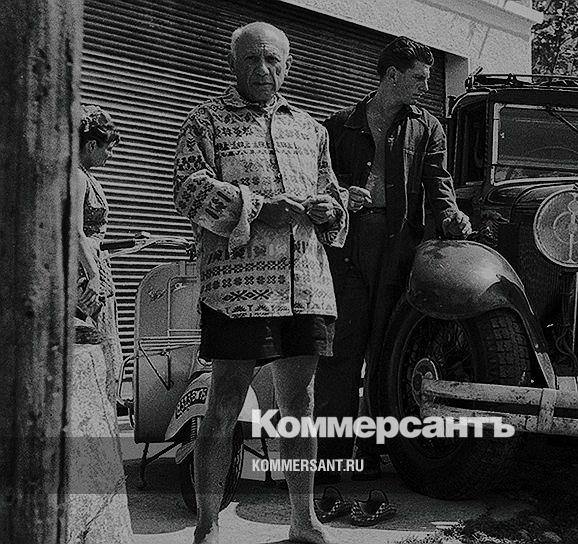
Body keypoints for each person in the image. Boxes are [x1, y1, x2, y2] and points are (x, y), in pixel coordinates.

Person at [172, 22, 347, 544]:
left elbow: (333, 195)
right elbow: (187, 190)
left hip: (306, 286)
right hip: (237, 292)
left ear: (287, 66)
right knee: (224, 405)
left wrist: (330, 209)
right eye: (252, 59)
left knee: (301, 406)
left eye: (273, 60)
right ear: (233, 64)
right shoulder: (205, 121)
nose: (263, 69)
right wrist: (255, 207)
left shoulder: (311, 129)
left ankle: (303, 521)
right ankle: (207, 524)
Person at [314, 36, 471, 481]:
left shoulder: (428, 127)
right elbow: (316, 182)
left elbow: (438, 183)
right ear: (391, 76)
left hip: (398, 247)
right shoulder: (338, 125)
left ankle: (369, 455)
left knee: (386, 354)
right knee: (340, 355)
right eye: (419, 78)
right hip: (346, 247)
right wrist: (342, 194)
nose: (426, 86)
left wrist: (451, 215)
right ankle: (329, 458)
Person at [66, 104, 134, 544]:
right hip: (87, 285)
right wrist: (91, 280)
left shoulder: (84, 176)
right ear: (91, 144)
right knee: (103, 367)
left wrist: (126, 244)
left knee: (111, 366)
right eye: (108, 148)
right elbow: (76, 234)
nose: (110, 156)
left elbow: (92, 238)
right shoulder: (75, 176)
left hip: (94, 276)